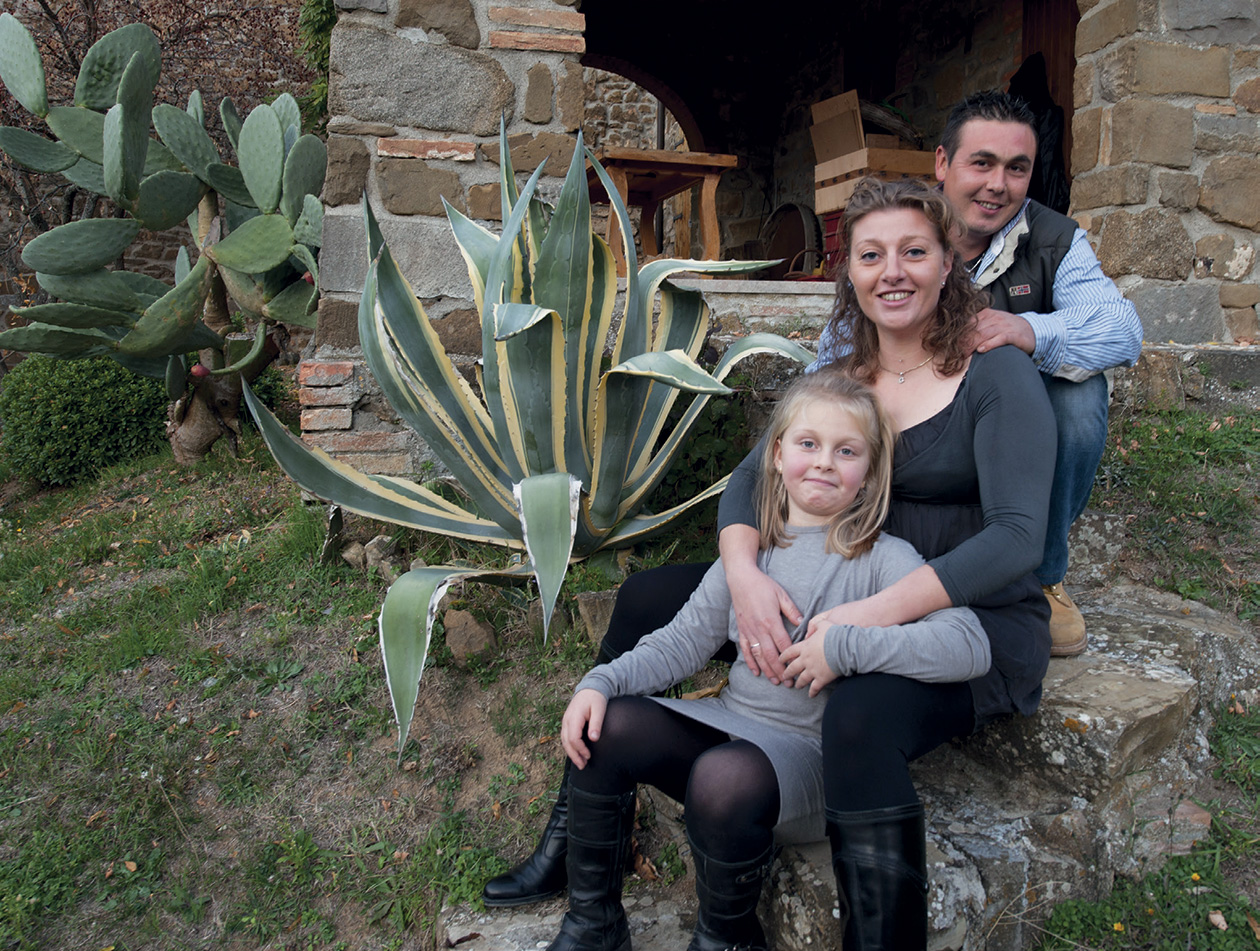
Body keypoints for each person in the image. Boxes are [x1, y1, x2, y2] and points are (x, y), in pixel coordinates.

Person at [488, 178, 1058, 949]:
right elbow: (753, 482)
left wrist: (857, 619)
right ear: (848, 272)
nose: (893, 270)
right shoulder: (843, 373)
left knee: (859, 714)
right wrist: (749, 579)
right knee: (649, 597)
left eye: (914, 252)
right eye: (871, 254)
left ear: (949, 262)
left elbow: (1020, 536)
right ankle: (581, 834)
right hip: (827, 570)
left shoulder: (993, 371)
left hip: (955, 610)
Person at [545, 370, 990, 951]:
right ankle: (592, 926)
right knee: (608, 726)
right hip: (731, 724)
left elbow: (969, 643)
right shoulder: (751, 558)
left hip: (803, 764)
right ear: (776, 455)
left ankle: (726, 938)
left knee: (723, 777)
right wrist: (599, 683)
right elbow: (681, 642)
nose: (825, 462)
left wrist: (847, 645)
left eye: (846, 451)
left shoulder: (886, 560)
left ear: (870, 473)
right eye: (808, 444)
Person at [924, 89, 1142, 655]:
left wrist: (1033, 332)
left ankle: (1039, 575)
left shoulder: (1055, 239)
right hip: (919, 423)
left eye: (1016, 168)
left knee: (1080, 393)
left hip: (1006, 433)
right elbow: (839, 347)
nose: (999, 184)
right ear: (943, 163)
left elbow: (1123, 330)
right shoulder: (896, 229)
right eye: (982, 163)